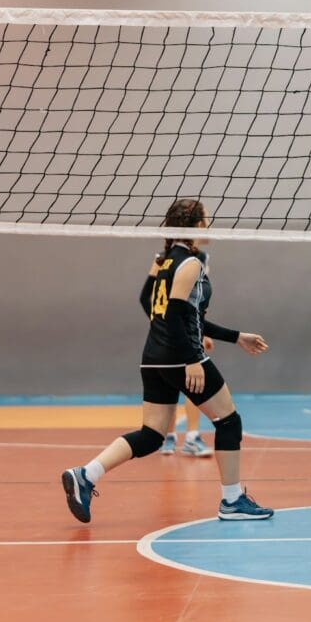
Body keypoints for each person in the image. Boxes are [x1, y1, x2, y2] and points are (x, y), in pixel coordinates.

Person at [62, 198, 271, 523]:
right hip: (178, 357)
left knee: (152, 435)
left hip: (154, 357)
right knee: (229, 421)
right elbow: (174, 313)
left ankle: (86, 474)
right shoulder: (191, 263)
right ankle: (232, 501)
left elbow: (174, 311)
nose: (209, 226)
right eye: (205, 221)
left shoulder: (165, 261)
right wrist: (192, 359)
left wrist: (236, 336)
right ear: (194, 226)